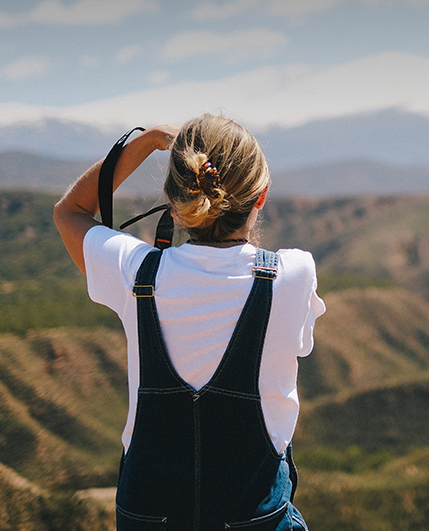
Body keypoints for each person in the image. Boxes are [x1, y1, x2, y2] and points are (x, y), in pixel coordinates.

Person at [53, 114, 324, 530]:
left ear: (175, 201)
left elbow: (70, 212)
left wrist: (145, 143)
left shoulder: (135, 271)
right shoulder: (292, 275)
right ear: (261, 196)